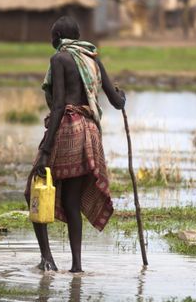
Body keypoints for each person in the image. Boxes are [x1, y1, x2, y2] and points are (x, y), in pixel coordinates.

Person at [25, 16, 126, 273]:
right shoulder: (93, 59)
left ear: (58, 36)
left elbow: (59, 104)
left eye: (52, 35)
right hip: (91, 133)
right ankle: (77, 267)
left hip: (68, 129)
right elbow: (116, 101)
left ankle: (47, 259)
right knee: (71, 202)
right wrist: (122, 96)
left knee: (32, 190)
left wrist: (46, 149)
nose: (51, 40)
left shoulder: (59, 59)